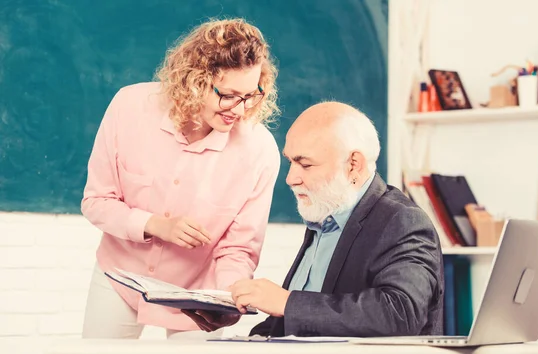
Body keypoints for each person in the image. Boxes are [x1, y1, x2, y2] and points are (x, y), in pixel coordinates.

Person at [80, 18, 281, 340]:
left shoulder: (259, 150)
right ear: (195, 81)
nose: (240, 111)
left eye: (250, 95)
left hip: (200, 292)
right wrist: (156, 224)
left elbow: (238, 248)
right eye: (228, 95)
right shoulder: (129, 106)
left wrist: (228, 296)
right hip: (120, 276)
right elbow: (96, 202)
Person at [184, 101, 445, 337]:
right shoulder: (327, 218)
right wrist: (250, 333)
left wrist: (286, 302)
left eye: (305, 165)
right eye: (290, 163)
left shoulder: (402, 221)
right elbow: (303, 321)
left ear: (353, 164)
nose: (290, 178)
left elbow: (400, 313)